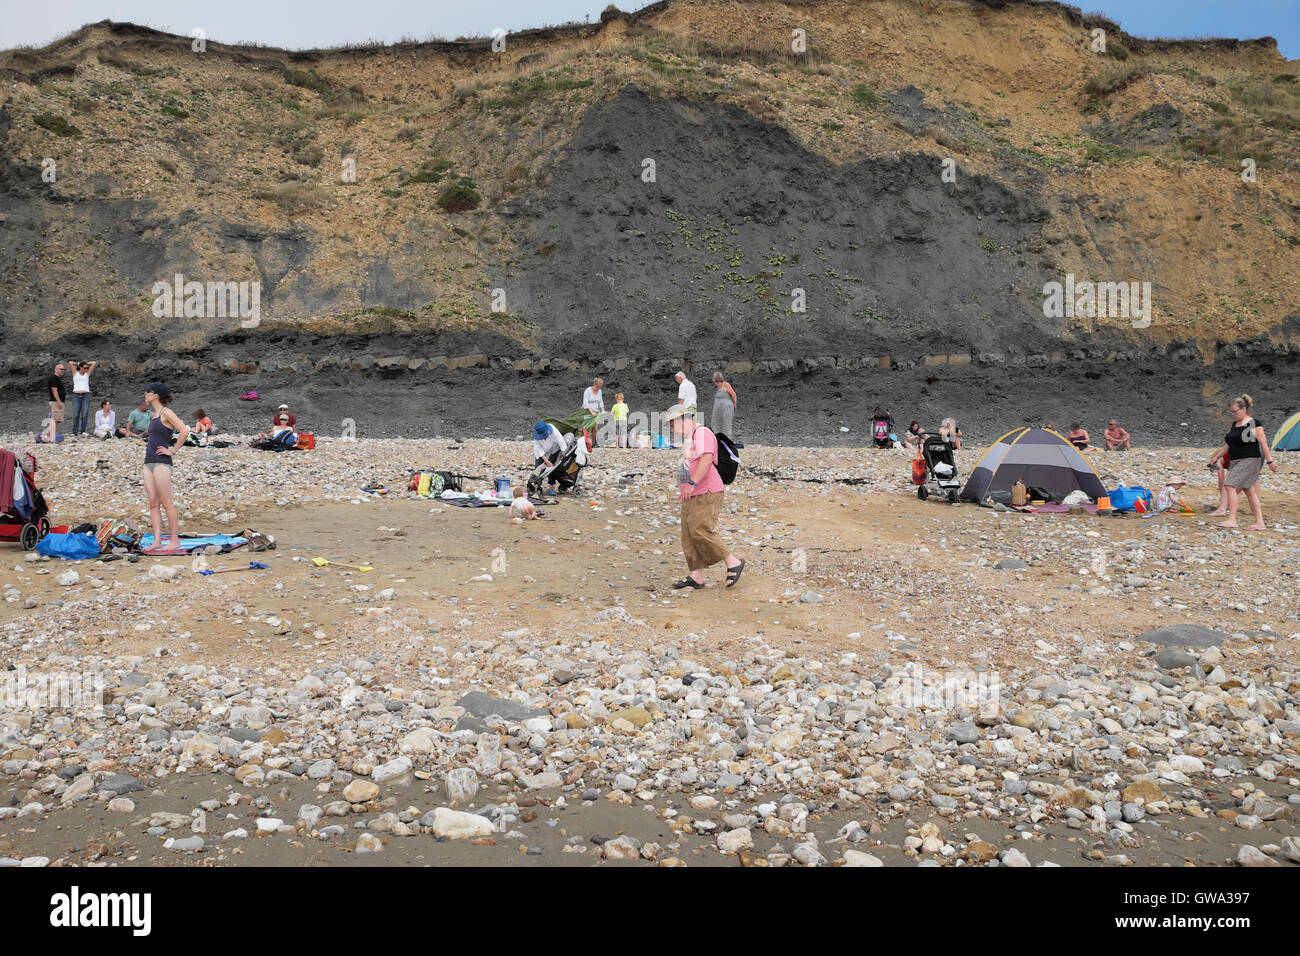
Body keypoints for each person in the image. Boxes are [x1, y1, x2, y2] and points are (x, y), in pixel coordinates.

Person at [665, 403, 745, 590]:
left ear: (682, 419)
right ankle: (696, 575)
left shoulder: (701, 433)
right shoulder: (689, 438)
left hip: (706, 491)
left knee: (701, 530)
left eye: (671, 424)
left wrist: (691, 484)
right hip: (691, 493)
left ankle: (732, 562)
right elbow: (688, 462)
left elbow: (707, 460)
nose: (670, 428)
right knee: (688, 535)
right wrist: (684, 487)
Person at [1209, 394, 1278, 530]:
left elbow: (1264, 444)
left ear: (1244, 409)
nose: (1234, 414)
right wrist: (1217, 456)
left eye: (1235, 411)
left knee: (1229, 485)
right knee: (1249, 490)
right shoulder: (1235, 424)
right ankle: (1260, 523)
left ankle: (1232, 519)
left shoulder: (1254, 423)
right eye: (1232, 412)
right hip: (1236, 460)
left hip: (1251, 459)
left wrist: (1270, 462)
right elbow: (1228, 444)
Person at [141, 383, 189, 552]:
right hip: (149, 461)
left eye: (148, 392)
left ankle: (175, 540)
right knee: (153, 503)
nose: (145, 394)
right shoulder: (153, 414)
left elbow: (184, 430)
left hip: (162, 462)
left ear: (155, 395)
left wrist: (173, 450)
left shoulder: (166, 412)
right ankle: (157, 541)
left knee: (166, 502)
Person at [69, 359, 96, 436]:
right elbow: (70, 363)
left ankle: (83, 431)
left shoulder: (87, 374)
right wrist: (78, 363)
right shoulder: (75, 373)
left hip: (85, 396)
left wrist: (86, 363)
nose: (86, 369)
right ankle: (75, 432)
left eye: (87, 368)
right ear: (80, 367)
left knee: (84, 414)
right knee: (76, 415)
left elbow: (93, 363)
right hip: (76, 396)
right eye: (84, 368)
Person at [43, 362, 66, 443]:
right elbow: (54, 390)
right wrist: (58, 401)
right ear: (56, 369)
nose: (63, 371)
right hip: (56, 402)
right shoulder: (54, 378)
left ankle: (47, 436)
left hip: (57, 402)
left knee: (56, 420)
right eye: (61, 369)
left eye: (64, 369)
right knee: (54, 419)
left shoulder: (56, 378)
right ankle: (51, 438)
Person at [711, 372, 737, 437]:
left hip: (727, 408)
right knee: (717, 424)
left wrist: (734, 405)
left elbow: (733, 395)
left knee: (726, 425)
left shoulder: (725, 385)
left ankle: (727, 443)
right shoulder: (717, 387)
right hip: (718, 410)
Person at [582, 378, 605, 447]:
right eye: (597, 387)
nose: (598, 388)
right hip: (587, 411)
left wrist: (603, 410)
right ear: (594, 384)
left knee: (595, 428)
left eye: (600, 387)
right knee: (587, 427)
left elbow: (600, 401)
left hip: (596, 411)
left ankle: (594, 443)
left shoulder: (599, 391)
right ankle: (586, 443)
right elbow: (585, 402)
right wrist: (591, 412)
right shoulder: (588, 390)